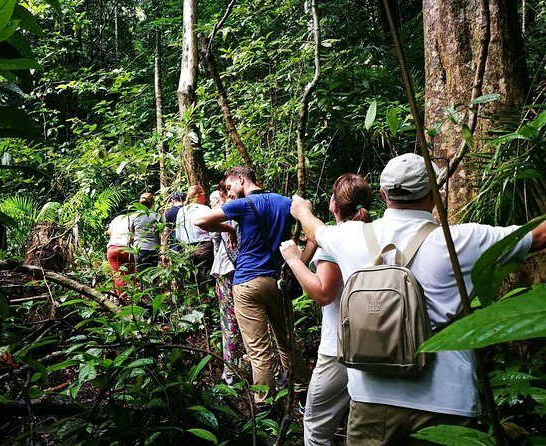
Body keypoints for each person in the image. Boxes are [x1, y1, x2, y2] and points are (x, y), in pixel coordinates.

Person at [290, 153, 546, 445]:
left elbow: (315, 229)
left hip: (371, 400)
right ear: (434, 193)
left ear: (384, 195)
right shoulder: (462, 240)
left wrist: (300, 209)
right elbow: (537, 236)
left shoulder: (349, 236)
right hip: (446, 401)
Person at [195, 166, 310, 405]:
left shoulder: (242, 206)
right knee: (287, 341)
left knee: (258, 350)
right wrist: (298, 264)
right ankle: (303, 395)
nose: (230, 192)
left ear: (240, 179)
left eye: (229, 187)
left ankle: (265, 404)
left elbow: (200, 220)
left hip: (246, 283)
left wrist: (227, 227)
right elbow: (314, 235)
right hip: (277, 281)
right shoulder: (285, 202)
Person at [280, 174, 372, 446]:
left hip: (338, 349)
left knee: (315, 424)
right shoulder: (375, 235)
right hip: (375, 343)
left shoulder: (335, 242)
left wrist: (295, 261)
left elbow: (324, 293)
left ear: (333, 205)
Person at [209, 186, 243, 385]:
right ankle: (275, 373)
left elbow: (216, 245)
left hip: (226, 270)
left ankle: (230, 372)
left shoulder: (223, 213)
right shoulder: (247, 208)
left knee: (229, 322)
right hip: (247, 269)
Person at [176, 185, 215, 292]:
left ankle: (195, 302)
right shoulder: (205, 209)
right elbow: (212, 229)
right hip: (204, 246)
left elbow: (178, 234)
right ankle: (209, 301)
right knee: (206, 276)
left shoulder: (181, 211)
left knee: (191, 278)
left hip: (187, 247)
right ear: (199, 196)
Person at [106, 213, 135, 303]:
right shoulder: (133, 219)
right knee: (130, 275)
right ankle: (132, 299)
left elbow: (109, 232)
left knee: (118, 276)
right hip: (127, 249)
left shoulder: (116, 219)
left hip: (113, 248)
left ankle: (122, 300)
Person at [130, 192, 161, 275]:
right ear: (152, 203)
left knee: (142, 275)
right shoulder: (156, 216)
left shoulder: (134, 216)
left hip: (140, 248)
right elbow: (162, 233)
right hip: (154, 249)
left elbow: (131, 234)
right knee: (153, 274)